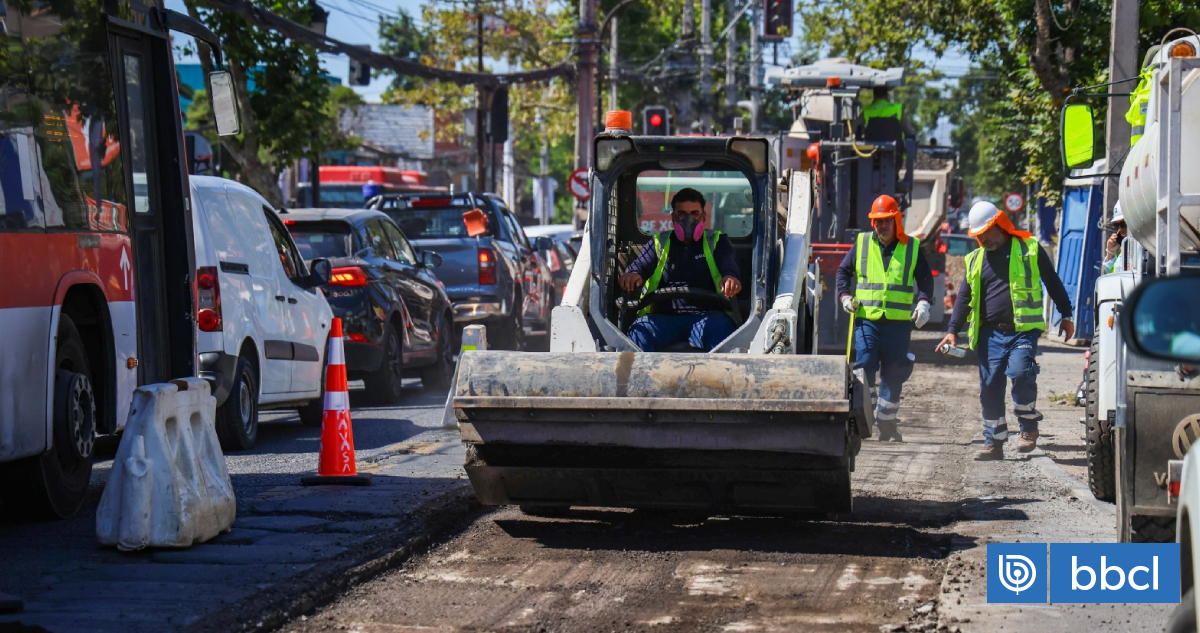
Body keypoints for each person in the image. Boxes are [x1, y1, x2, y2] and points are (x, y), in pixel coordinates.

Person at [937, 201, 1075, 460]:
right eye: (977, 235)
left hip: (1023, 331)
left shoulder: (1029, 249)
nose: (981, 239)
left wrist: (1066, 314)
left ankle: (1028, 427)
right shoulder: (976, 259)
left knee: (1021, 372)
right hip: (989, 334)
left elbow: (1052, 281)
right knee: (989, 387)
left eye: (984, 232)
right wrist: (952, 330)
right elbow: (965, 298)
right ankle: (994, 441)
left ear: (999, 225)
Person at [836, 194, 935, 441]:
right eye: (877, 221)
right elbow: (842, 271)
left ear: (896, 220)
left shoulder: (911, 247)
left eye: (886, 221)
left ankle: (887, 425)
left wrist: (924, 302)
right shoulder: (862, 243)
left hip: (898, 324)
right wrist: (844, 296)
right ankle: (863, 418)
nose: (882, 226)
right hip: (867, 320)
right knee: (866, 363)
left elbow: (925, 279)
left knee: (894, 371)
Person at [619, 188, 742, 352]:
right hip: (664, 319)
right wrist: (632, 274)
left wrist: (730, 278)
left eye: (694, 213)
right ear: (672, 217)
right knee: (640, 330)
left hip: (708, 318)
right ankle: (637, 377)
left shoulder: (718, 241)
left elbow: (729, 265)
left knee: (722, 330)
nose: (688, 219)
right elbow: (640, 265)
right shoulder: (659, 242)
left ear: (703, 217)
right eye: (682, 214)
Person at [1103, 202, 1129, 274]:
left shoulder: (1139, 246)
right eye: (1117, 225)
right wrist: (1110, 252)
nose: (1120, 229)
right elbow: (1110, 273)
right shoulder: (1122, 247)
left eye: (1123, 224)